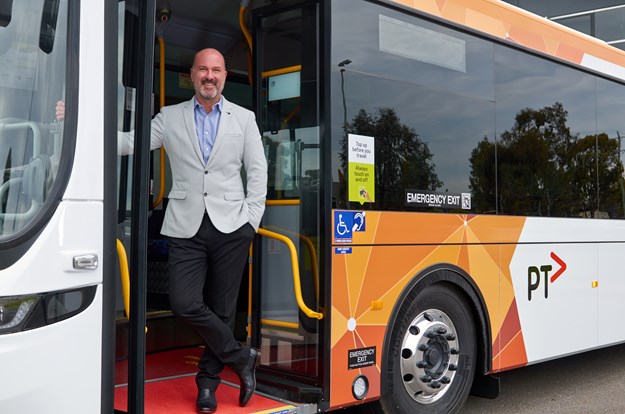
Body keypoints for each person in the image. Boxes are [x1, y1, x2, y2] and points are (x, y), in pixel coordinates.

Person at [58, 48, 267, 413]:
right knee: (183, 303)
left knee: (222, 309)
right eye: (203, 69)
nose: (209, 76)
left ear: (224, 76)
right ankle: (241, 357)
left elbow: (258, 171)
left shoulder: (244, 119)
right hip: (185, 224)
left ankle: (207, 384)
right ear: (192, 73)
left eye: (216, 70)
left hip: (233, 226)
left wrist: (251, 218)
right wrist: (78, 121)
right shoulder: (170, 117)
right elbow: (128, 142)